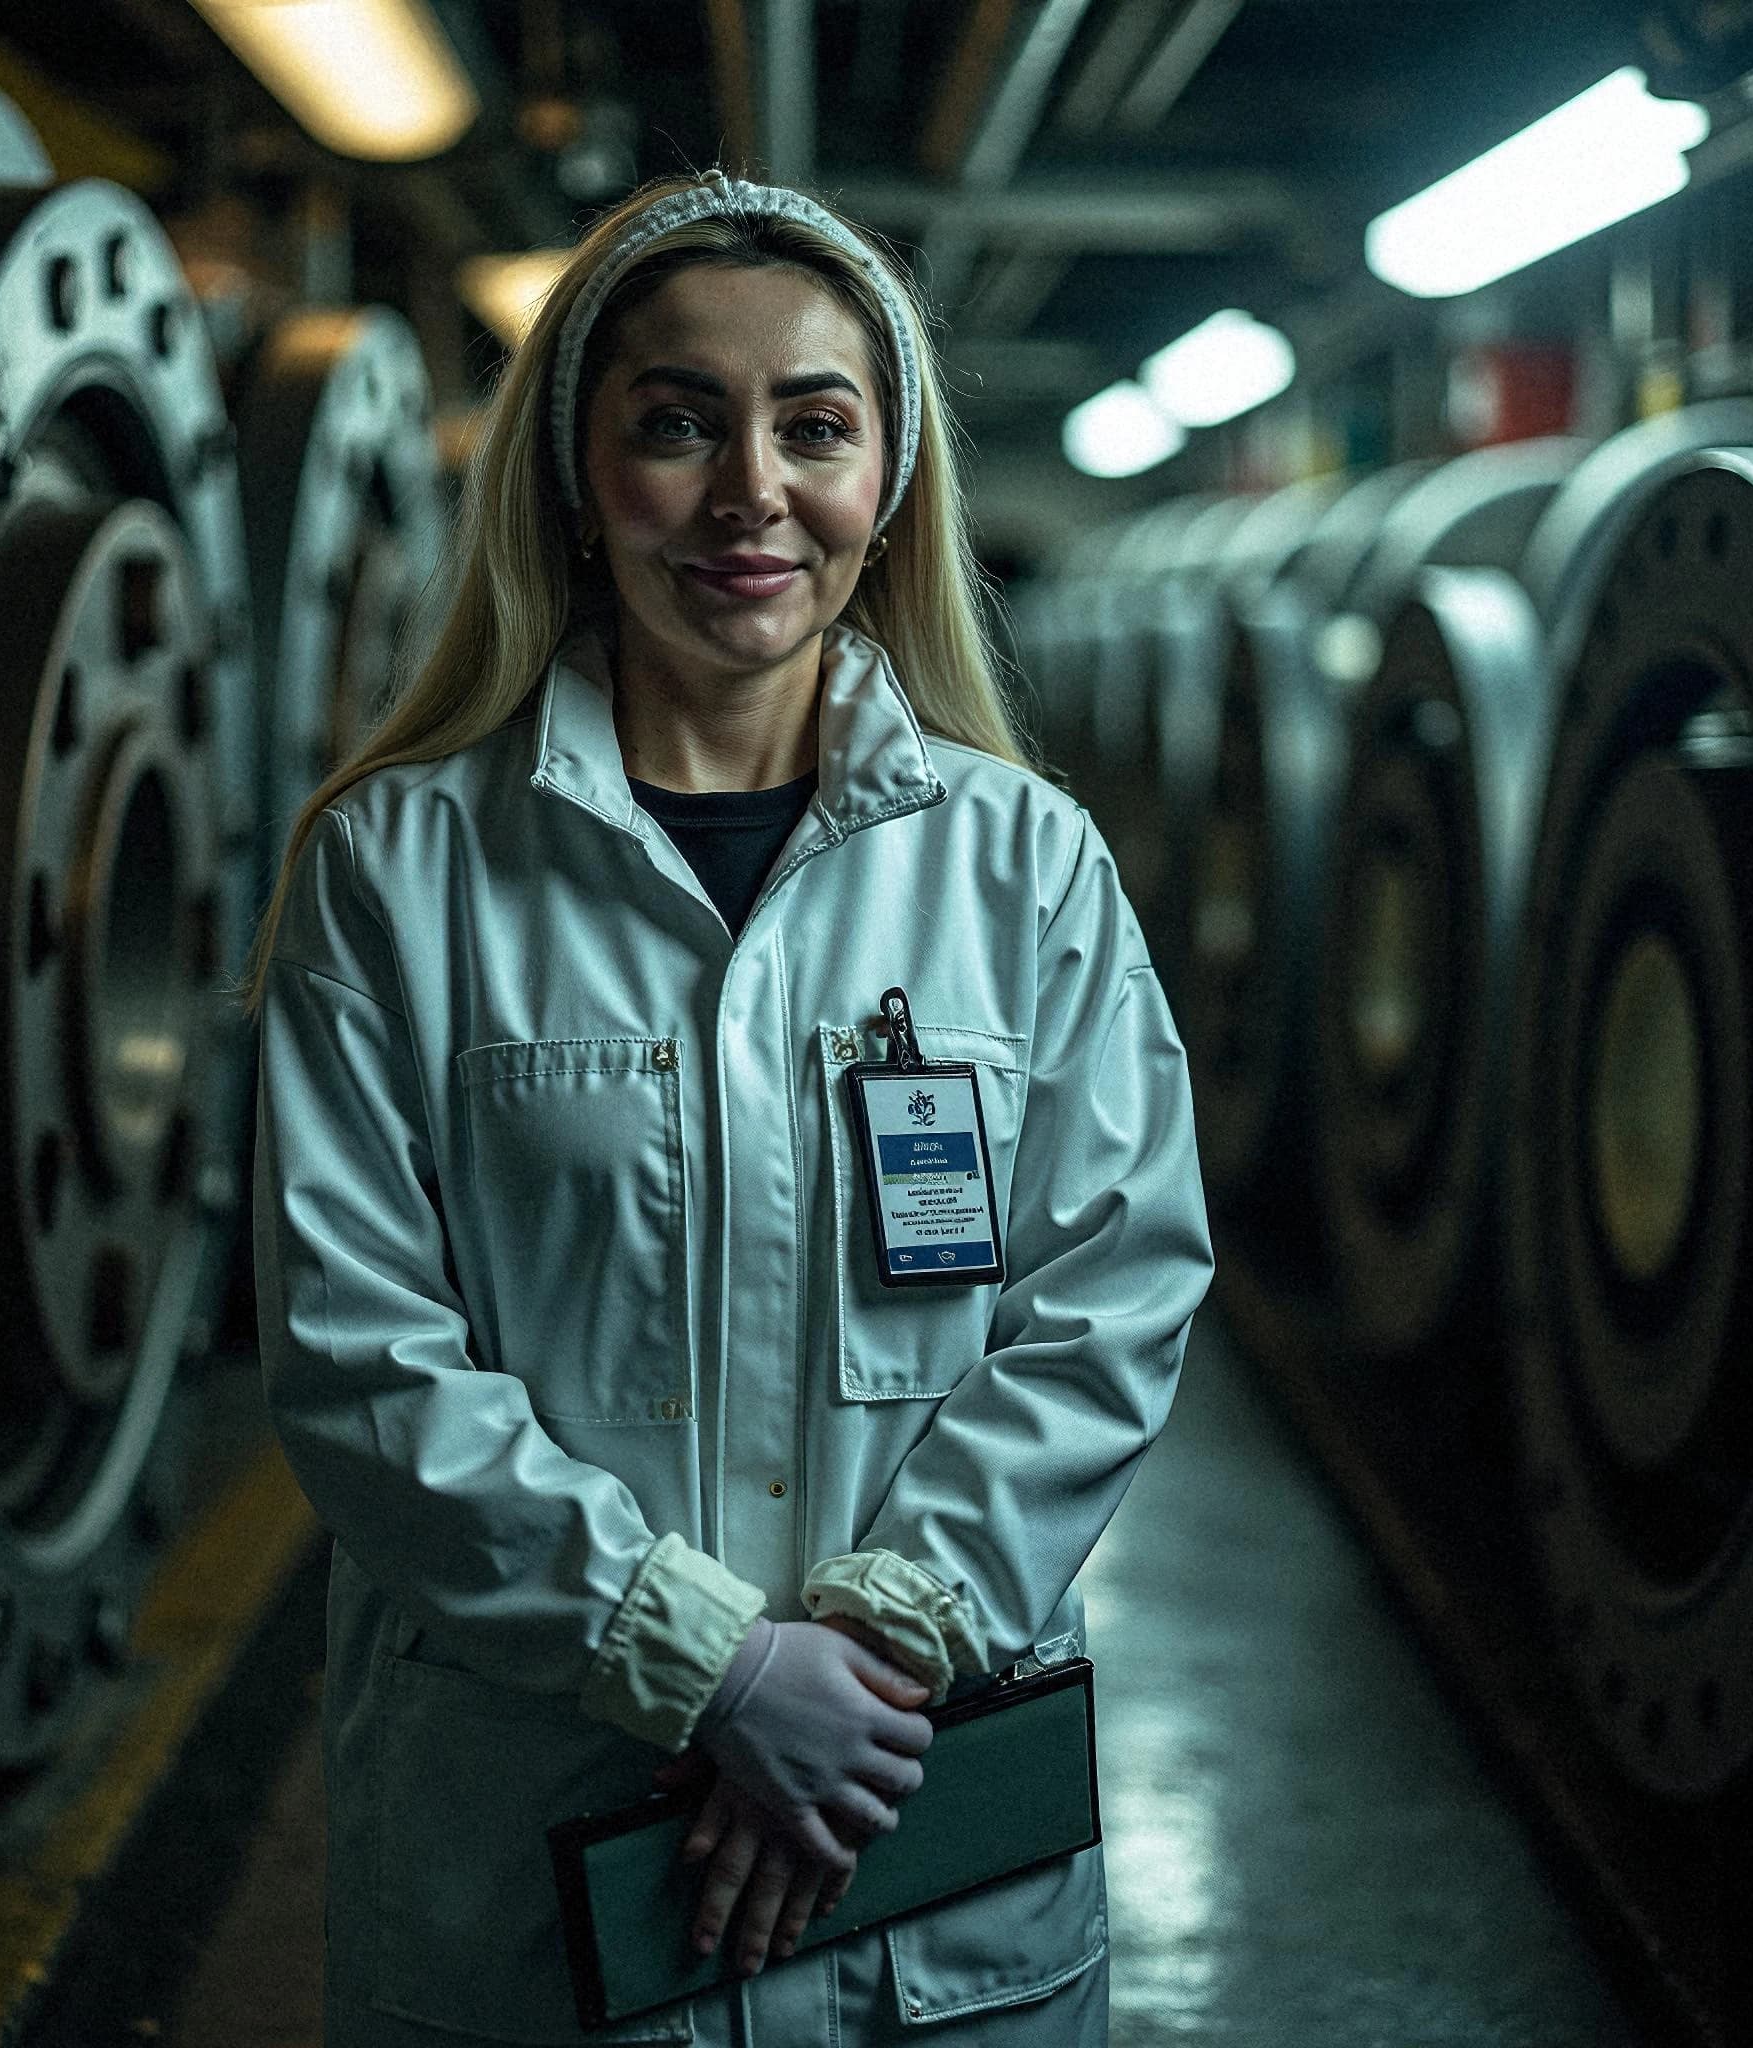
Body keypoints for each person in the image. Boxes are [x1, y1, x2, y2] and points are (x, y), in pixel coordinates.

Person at [243, 168, 1213, 2048]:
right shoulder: (400, 870)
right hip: (538, 1845)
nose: (750, 490)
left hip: (916, 1839)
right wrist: (692, 1663)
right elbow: (359, 1353)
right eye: (678, 422)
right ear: (576, 480)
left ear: (889, 483)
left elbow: (1118, 1295)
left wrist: (877, 1639)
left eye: (816, 426)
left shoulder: (1023, 868)